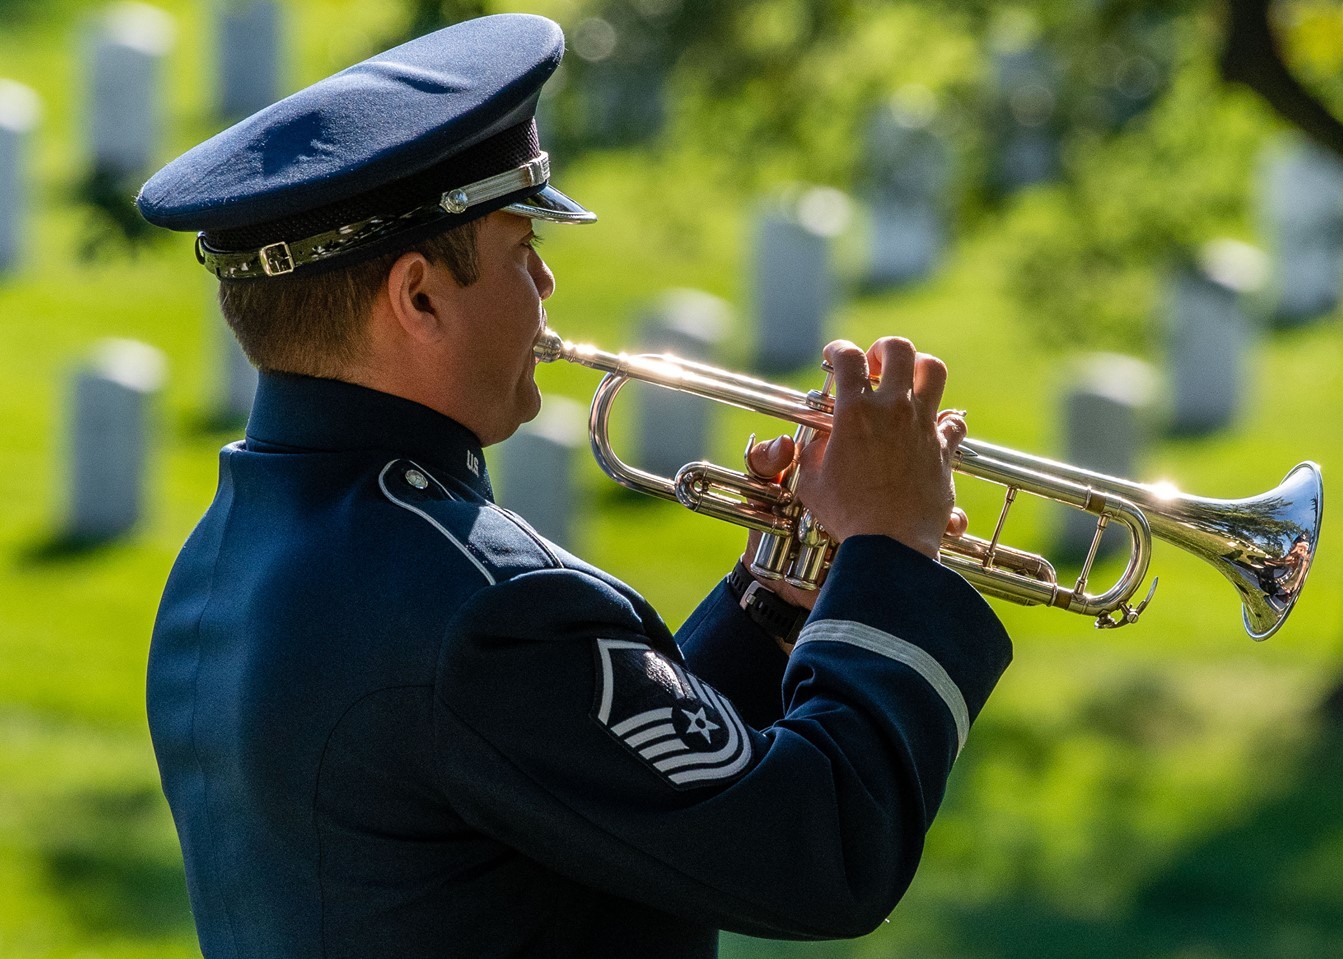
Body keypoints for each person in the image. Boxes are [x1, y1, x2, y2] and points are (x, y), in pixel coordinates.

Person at [139, 14, 1011, 959]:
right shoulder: (490, 608)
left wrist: (780, 596)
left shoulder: (221, 559)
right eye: (522, 251)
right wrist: (888, 552)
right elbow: (824, 852)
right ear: (420, 296)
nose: (548, 284)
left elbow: (580, 784)